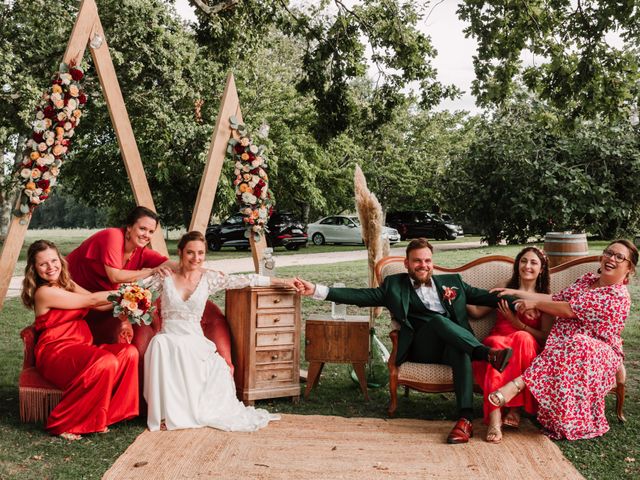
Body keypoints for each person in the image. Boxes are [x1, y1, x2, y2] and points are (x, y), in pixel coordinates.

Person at [295, 238, 516, 444]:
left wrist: (524, 301)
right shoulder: (394, 286)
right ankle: (485, 354)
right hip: (422, 348)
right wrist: (316, 290)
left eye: (427, 260)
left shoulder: (453, 283)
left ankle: (465, 420)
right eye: (417, 261)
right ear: (407, 263)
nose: (423, 265)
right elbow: (361, 296)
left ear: (433, 263)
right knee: (438, 321)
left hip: (452, 346)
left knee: (460, 350)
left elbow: (489, 298)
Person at [143, 231, 297, 431]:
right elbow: (134, 291)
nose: (196, 258)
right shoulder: (165, 276)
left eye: (200, 253)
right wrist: (151, 273)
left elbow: (244, 279)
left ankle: (185, 413)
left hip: (194, 340)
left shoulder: (209, 278)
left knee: (190, 353)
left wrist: (281, 281)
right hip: (170, 335)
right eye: (190, 253)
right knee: (160, 344)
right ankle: (165, 413)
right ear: (180, 252)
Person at [487, 239, 637, 440]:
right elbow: (557, 299)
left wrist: (536, 304)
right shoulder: (586, 280)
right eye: (609, 253)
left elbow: (568, 309)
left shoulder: (617, 296)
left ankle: (517, 385)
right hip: (563, 348)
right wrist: (516, 293)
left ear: (629, 268)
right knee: (572, 343)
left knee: (579, 342)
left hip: (600, 352)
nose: (612, 258)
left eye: (620, 257)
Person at [66, 206, 234, 379]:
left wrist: (204, 271)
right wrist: (150, 271)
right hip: (71, 290)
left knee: (114, 334)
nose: (146, 234)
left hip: (99, 302)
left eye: (151, 231)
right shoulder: (112, 236)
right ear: (129, 227)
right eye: (142, 228)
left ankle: (108, 377)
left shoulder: (140, 252)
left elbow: (173, 265)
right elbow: (115, 276)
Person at [21, 240, 138, 440]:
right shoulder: (44, 292)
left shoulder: (67, 284)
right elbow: (90, 301)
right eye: (43, 264)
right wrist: (124, 293)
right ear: (34, 268)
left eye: (53, 260)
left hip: (80, 347)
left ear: (60, 260)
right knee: (105, 360)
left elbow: (100, 306)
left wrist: (132, 302)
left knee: (128, 353)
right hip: (55, 352)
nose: (51, 267)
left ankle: (107, 416)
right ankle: (64, 423)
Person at [468, 247, 552, 443]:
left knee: (522, 337)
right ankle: (495, 419)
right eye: (523, 261)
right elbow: (478, 311)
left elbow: (544, 337)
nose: (527, 266)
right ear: (517, 264)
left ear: (541, 269)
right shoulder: (504, 286)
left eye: (533, 262)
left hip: (527, 344)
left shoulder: (544, 297)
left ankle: (515, 408)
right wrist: (457, 296)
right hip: (498, 339)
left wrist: (518, 324)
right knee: (497, 347)